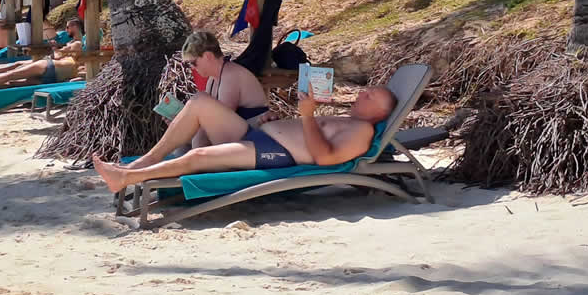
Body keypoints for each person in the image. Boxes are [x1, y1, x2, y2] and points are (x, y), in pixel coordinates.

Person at [91, 84, 397, 193]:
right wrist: (276, 121)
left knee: (198, 157)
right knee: (200, 102)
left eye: (370, 96)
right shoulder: (347, 120)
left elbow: (326, 158)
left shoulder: (363, 132)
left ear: (380, 114)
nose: (362, 93)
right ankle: (144, 162)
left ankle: (125, 178)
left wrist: (306, 116)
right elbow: (308, 132)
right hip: (258, 135)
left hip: (275, 154)